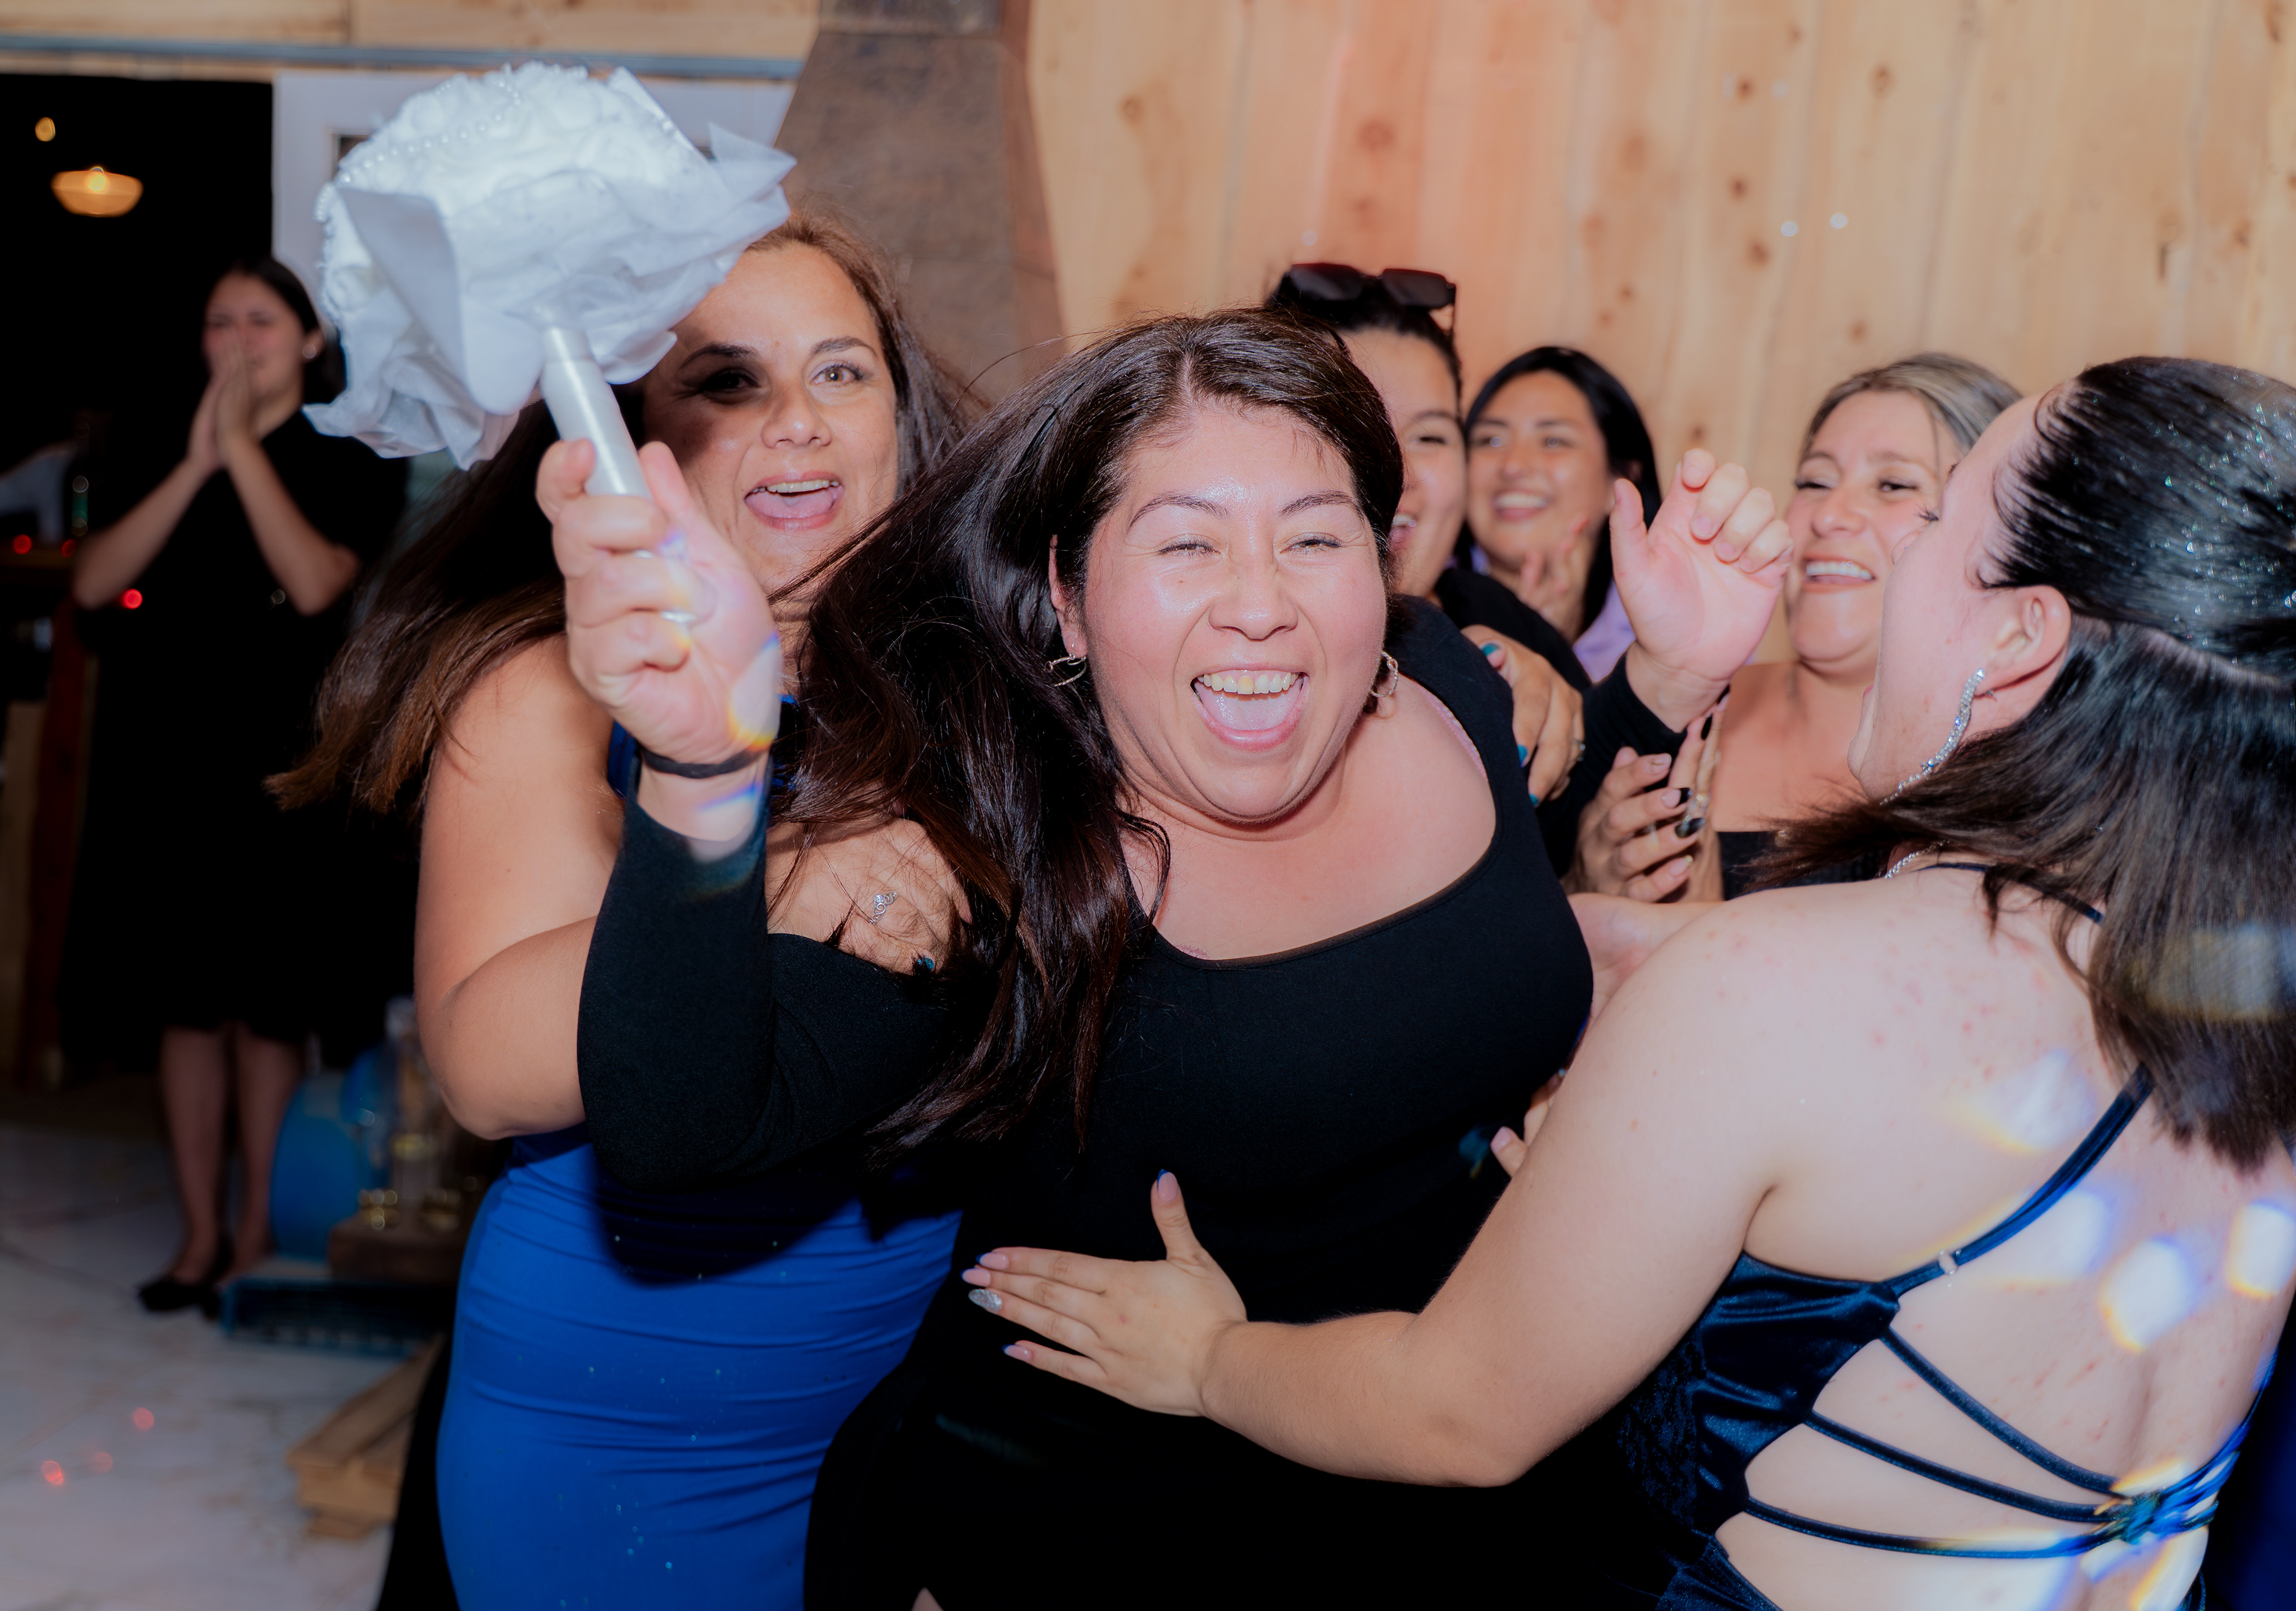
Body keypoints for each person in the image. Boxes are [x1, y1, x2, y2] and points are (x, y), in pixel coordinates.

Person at [964, 356, 2296, 1610]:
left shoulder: (1772, 991)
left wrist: (1209, 1357)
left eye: (1934, 521)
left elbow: (1460, 1413)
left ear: (2018, 637)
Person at [556, 306, 1789, 1605]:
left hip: (1452, 1501)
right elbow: (678, 1127)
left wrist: (1661, 685)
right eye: (1187, 542)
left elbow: (1521, 893)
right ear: (1068, 598)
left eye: (1315, 537)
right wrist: (701, 775)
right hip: (1100, 1529)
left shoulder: (1441, 678)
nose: (1260, 604)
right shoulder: (1002, 854)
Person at [281, 211, 976, 1610]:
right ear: (631, 439)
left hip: (900, 1413)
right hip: (627, 1428)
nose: (796, 419)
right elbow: (482, 1064)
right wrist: (777, 871)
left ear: (903, 419)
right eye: (728, 380)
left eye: (841, 372)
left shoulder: (974, 679)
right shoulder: (543, 686)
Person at [67, 256, 405, 1313]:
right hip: (172, 758)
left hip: (287, 764)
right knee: (187, 1006)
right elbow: (93, 583)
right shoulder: (158, 443)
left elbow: (314, 582)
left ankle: (257, 1226)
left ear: (309, 339)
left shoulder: (349, 448)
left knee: (268, 1012)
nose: (238, 339)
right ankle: (198, 1235)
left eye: (262, 319)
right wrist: (196, 463)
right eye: (221, 321)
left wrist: (246, 454)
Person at [1574, 354, 2019, 901]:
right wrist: (1577, 887)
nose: (1828, 515)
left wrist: (1698, 933)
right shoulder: (1682, 701)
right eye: (1814, 481)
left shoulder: (2010, 779)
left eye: (1892, 484)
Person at [1263, 264, 1585, 809]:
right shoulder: (1246, 644)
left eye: (1431, 436)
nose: (1400, 472)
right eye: (1355, 431)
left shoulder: (1506, 621)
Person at [1467, 345, 1662, 681]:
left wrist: (1550, 651)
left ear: (1621, 480)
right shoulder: (1413, 605)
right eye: (1491, 440)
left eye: (1554, 441)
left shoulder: (1667, 634)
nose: (1513, 465)